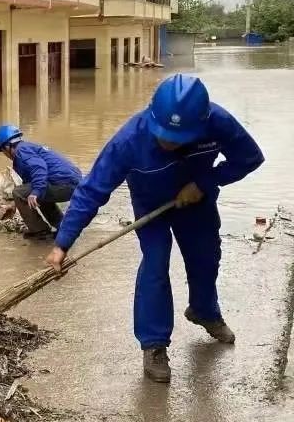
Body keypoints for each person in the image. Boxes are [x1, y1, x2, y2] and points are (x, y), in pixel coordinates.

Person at [45, 74, 264, 383]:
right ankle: (154, 344)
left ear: (200, 126)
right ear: (152, 116)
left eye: (177, 139)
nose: (168, 142)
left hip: (195, 202)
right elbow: (91, 190)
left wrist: (205, 182)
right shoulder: (128, 141)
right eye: (163, 135)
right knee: (155, 264)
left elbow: (250, 158)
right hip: (151, 208)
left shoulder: (219, 122)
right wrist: (62, 243)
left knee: (206, 258)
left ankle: (204, 311)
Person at [0, 124, 82, 241]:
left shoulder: (21, 151)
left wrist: (35, 192)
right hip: (73, 183)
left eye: (3, 151)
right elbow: (29, 184)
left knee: (21, 192)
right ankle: (63, 228)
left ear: (7, 147)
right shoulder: (28, 148)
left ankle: (40, 231)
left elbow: (39, 169)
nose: (5, 155)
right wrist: (27, 197)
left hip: (64, 184)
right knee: (34, 192)